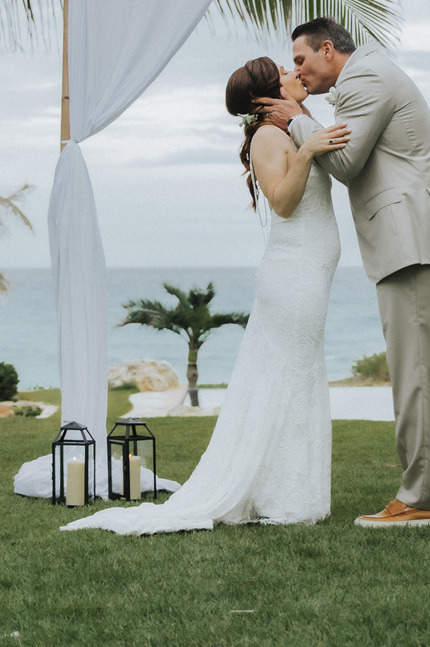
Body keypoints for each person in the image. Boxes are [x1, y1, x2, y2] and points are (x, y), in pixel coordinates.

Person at [61, 57, 348, 535]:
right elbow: (282, 201)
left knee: (298, 373)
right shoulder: (268, 137)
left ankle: (287, 489)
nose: (296, 73)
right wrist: (308, 152)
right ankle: (285, 495)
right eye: (285, 71)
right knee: (291, 375)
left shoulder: (293, 128)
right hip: (293, 271)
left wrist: (312, 138)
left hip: (308, 268)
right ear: (264, 95)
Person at [255, 17, 430, 527]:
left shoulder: (363, 80)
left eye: (300, 60)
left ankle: (420, 499)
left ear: (327, 49)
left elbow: (344, 162)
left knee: (415, 369)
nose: (298, 71)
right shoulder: (374, 72)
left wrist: (297, 117)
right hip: (428, 230)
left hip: (408, 236)